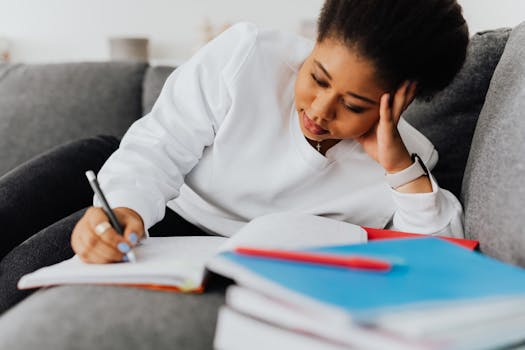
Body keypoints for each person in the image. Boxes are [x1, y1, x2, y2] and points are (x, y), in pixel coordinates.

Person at [0, 0, 468, 315]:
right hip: (147, 182)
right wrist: (121, 206)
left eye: (355, 105)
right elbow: (160, 146)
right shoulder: (248, 54)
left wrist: (398, 167)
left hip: (187, 238)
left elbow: (442, 266)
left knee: (20, 277)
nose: (320, 111)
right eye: (318, 77)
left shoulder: (406, 167)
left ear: (402, 101)